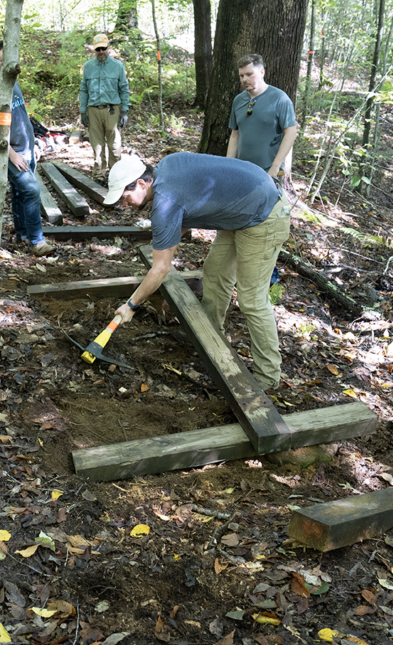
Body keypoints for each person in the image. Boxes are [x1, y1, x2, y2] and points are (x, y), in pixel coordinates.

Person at [105, 154, 291, 391]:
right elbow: (186, 212)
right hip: (239, 209)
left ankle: (268, 376)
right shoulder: (167, 169)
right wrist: (166, 246)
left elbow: (161, 267)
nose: (124, 204)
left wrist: (131, 305)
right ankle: (212, 338)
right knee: (215, 273)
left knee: (251, 300)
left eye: (125, 196)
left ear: (142, 183)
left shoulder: (164, 201)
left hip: (264, 213)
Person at [0, 41, 56, 257]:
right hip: (9, 153)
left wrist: (34, 144)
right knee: (32, 190)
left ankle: (22, 234)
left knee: (21, 193)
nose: (7, 67)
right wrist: (11, 155)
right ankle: (37, 242)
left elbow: (20, 117)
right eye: (2, 62)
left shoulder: (12, 82)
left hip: (28, 150)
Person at [226, 54, 298, 181]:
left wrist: (275, 167)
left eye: (249, 74)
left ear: (262, 72)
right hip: (242, 169)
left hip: (268, 171)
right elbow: (234, 135)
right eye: (241, 76)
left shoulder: (280, 99)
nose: (244, 79)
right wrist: (228, 165)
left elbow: (291, 133)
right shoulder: (238, 100)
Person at [79, 33, 130, 179]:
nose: (101, 52)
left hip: (113, 109)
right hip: (93, 110)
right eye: (98, 49)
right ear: (94, 50)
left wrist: (125, 110)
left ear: (108, 47)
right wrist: (83, 111)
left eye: (103, 48)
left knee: (114, 145)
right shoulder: (88, 66)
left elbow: (124, 89)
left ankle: (115, 175)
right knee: (97, 145)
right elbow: (84, 89)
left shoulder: (118, 66)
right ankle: (99, 175)